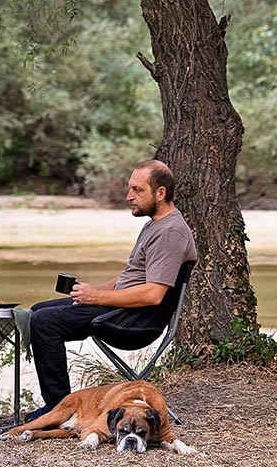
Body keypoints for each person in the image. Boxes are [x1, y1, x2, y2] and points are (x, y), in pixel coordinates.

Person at [27, 159, 197, 416]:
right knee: (38, 310)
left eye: (138, 190)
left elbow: (153, 295)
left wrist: (98, 296)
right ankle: (59, 405)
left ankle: (60, 410)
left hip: (136, 320)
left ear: (160, 193)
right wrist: (91, 293)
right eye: (130, 189)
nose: (129, 196)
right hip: (123, 307)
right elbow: (129, 277)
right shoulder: (155, 224)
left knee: (45, 322)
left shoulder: (170, 233)